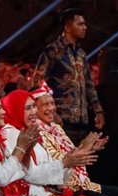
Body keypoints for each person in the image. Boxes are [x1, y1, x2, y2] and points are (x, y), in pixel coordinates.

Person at [32, 82, 118, 196]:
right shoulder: (35, 132)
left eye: (52, 103)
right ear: (34, 108)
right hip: (60, 187)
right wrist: (83, 149)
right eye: (45, 104)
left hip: (80, 183)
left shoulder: (56, 128)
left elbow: (70, 155)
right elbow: (58, 163)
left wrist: (87, 148)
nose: (51, 108)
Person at [2, 90, 98, 196]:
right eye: (28, 108)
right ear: (15, 109)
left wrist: (71, 159)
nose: (34, 112)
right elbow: (28, 175)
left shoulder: (28, 131)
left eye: (34, 106)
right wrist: (64, 163)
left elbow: (49, 169)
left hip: (46, 192)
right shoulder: (11, 135)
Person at [32, 8, 105, 145]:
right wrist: (51, 113)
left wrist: (98, 111)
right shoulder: (53, 51)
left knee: (80, 164)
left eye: (84, 24)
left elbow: (89, 85)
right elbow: (37, 84)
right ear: (67, 27)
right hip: (60, 121)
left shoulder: (81, 54)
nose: (85, 27)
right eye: (80, 24)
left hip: (82, 123)